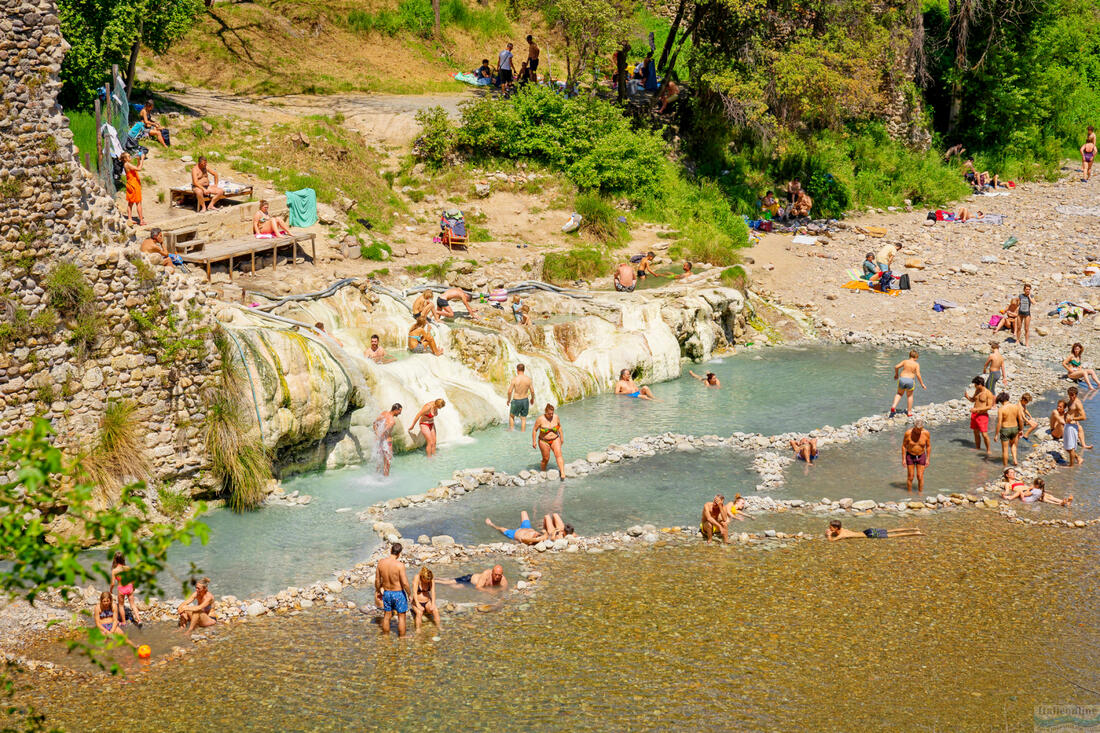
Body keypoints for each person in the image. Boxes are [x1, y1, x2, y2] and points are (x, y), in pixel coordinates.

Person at [375, 543, 411, 638]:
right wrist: (409, 594)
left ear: (390, 550)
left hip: (387, 593)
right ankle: (402, 637)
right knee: (401, 616)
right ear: (399, 553)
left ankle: (386, 636)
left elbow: (377, 580)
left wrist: (378, 590)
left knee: (387, 615)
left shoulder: (381, 563)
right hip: (398, 593)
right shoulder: (400, 565)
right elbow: (405, 583)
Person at [532, 403, 565, 478]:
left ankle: (562, 472)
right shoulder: (540, 419)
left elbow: (559, 427)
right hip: (543, 441)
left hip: (555, 439)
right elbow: (534, 430)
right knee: (546, 459)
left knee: (558, 455)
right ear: (545, 412)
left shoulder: (556, 417)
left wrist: (562, 437)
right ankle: (543, 472)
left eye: (552, 413)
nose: (551, 415)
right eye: (549, 414)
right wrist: (534, 441)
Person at [889, 350, 926, 417]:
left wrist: (896, 374)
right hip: (910, 380)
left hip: (902, 379)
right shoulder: (916, 364)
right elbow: (918, 374)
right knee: (909, 396)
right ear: (916, 357)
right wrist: (922, 384)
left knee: (899, 394)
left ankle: (893, 407)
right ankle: (909, 412)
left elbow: (896, 367)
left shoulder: (905, 361)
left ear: (909, 356)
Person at [111, 551, 142, 628]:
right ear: (123, 559)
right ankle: (139, 620)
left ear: (115, 559)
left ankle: (124, 622)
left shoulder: (114, 571)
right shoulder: (128, 568)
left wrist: (111, 590)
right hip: (129, 587)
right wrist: (133, 587)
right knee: (133, 604)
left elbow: (112, 583)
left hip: (121, 589)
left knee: (121, 605)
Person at [965, 376, 994, 456]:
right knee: (975, 432)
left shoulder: (988, 393)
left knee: (984, 434)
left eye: (975, 385)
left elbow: (989, 406)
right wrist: (967, 397)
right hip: (974, 414)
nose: (974, 386)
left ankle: (988, 450)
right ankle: (978, 448)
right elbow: (973, 400)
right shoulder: (977, 390)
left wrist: (977, 410)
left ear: (980, 384)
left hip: (982, 415)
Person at [993, 392, 1022, 467]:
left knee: (1005, 450)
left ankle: (1005, 467)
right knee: (1013, 445)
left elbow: (999, 423)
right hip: (1015, 428)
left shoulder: (1001, 409)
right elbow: (1020, 419)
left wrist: (996, 435)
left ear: (1001, 401)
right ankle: (1015, 460)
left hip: (1005, 429)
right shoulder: (1016, 407)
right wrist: (1021, 429)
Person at [373, 403, 402, 476]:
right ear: (395, 410)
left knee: (379, 460)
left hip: (379, 441)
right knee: (388, 461)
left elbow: (374, 423)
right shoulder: (392, 421)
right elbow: (384, 433)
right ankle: (386, 478)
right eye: (399, 411)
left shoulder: (384, 413)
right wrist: (381, 436)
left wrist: (377, 434)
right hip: (387, 442)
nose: (400, 413)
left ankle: (376, 476)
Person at [827, 520, 924, 541]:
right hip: (867, 530)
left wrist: (828, 535)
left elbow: (831, 541)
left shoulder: (842, 535)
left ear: (836, 528)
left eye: (831, 527)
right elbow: (837, 532)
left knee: (893, 535)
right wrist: (832, 532)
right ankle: (914, 528)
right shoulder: (842, 529)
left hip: (870, 535)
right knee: (891, 530)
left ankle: (915, 533)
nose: (829, 528)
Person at [902, 421, 930, 493]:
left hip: (921, 456)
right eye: (917, 430)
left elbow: (928, 446)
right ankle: (909, 493)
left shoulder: (926, 433)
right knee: (910, 477)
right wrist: (903, 459)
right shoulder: (908, 433)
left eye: (920, 430)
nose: (919, 432)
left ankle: (920, 494)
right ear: (914, 427)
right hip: (910, 455)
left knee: (920, 477)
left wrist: (927, 459)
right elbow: (904, 446)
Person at [506, 363, 534, 431]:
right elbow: (532, 391)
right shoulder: (528, 379)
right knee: (523, 418)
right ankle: (523, 432)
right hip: (525, 400)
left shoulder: (515, 379)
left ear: (517, 370)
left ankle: (511, 430)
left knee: (512, 416)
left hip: (516, 400)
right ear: (524, 370)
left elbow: (509, 391)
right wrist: (532, 398)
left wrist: (509, 400)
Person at [410, 567, 440, 632]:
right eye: (426, 580)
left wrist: (433, 604)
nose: (427, 582)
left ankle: (438, 626)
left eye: (428, 581)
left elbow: (433, 592)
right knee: (419, 613)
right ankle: (418, 629)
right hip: (416, 601)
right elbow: (414, 592)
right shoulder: (417, 577)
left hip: (427, 601)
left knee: (435, 610)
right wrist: (418, 605)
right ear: (422, 577)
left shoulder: (431, 579)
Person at [440, 565, 508, 591]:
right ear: (492, 572)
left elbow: (504, 591)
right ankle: (435, 581)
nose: (497, 577)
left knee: (453, 584)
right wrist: (489, 591)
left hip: (471, 586)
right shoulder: (486, 574)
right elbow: (478, 587)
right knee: (448, 583)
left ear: (502, 574)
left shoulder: (503, 580)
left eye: (499, 575)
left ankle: (441, 579)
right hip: (469, 579)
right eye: (496, 574)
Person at [1066, 385, 1093, 452]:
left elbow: (1084, 417)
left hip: (1071, 421)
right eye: (1069, 395)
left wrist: (1072, 418)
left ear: (1076, 394)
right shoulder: (1070, 400)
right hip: (1067, 420)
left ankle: (1084, 445)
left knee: (1080, 428)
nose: (1071, 397)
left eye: (1072, 395)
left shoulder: (1078, 403)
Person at [122, 152, 145, 226]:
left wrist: (138, 160)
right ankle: (141, 221)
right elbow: (139, 168)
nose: (130, 157)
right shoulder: (128, 164)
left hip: (131, 184)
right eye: (129, 156)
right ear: (125, 159)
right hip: (134, 185)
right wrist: (142, 159)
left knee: (130, 203)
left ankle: (129, 219)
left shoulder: (127, 164)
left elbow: (136, 168)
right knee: (138, 203)